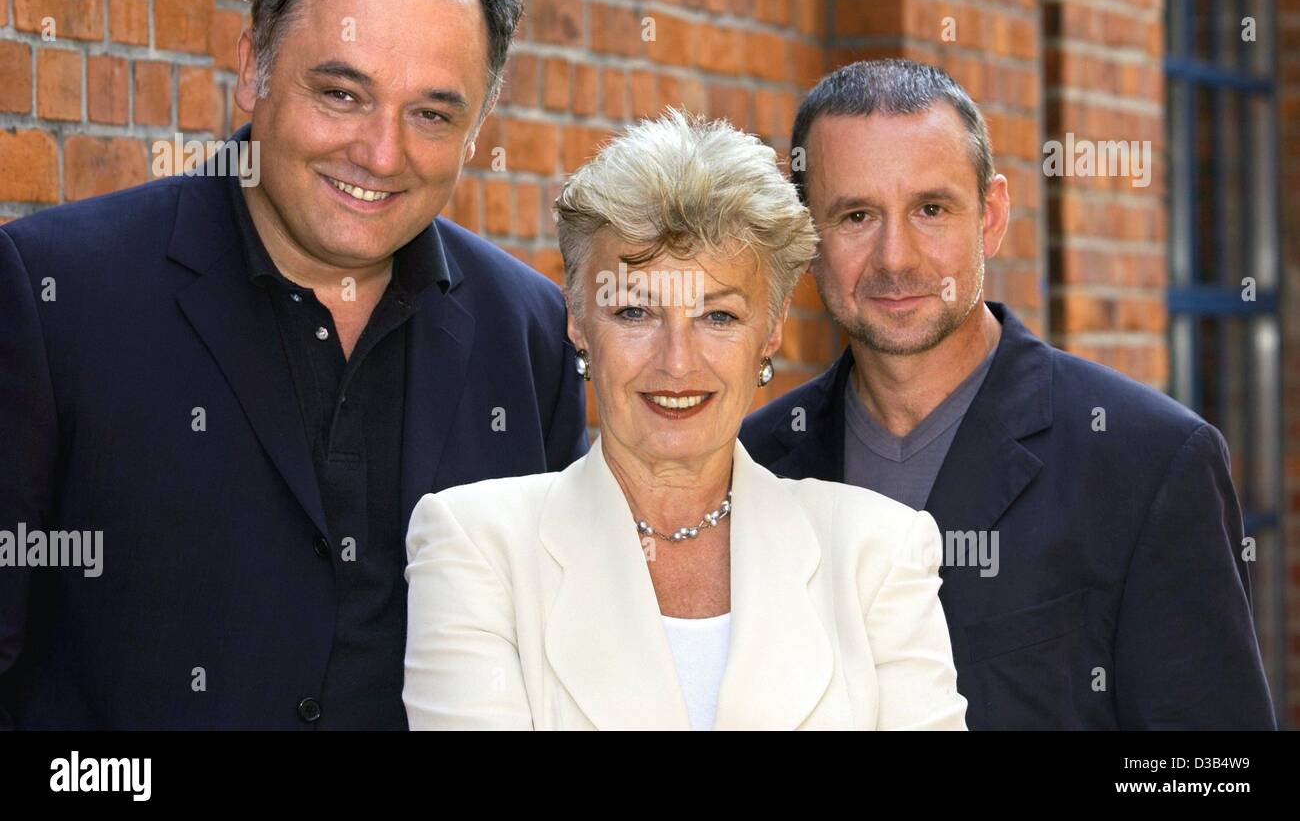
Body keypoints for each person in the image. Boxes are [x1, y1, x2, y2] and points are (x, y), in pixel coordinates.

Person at [0, 0, 587, 729]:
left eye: (430, 114)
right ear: (254, 66)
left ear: (477, 125)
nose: (381, 153)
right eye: (343, 93)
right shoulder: (57, 294)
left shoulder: (531, 335)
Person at [741, 58, 1276, 729]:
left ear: (990, 216)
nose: (895, 258)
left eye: (931, 209)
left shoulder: (1149, 463)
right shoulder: (753, 467)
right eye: (855, 215)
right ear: (805, 238)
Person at [403, 109, 968, 730]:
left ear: (771, 330)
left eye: (718, 317)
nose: (676, 361)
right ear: (577, 321)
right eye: (635, 313)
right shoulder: (475, 545)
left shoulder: (878, 554)